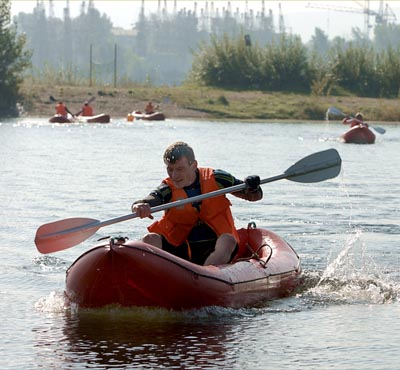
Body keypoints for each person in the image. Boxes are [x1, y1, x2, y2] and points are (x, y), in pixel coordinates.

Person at [131, 141, 263, 266]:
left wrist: (253, 187)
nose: (174, 175)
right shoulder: (167, 188)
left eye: (180, 169)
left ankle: (204, 278)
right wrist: (140, 205)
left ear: (193, 165)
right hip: (182, 248)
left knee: (227, 240)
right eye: (170, 169)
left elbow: (253, 196)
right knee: (150, 239)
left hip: (215, 246)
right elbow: (152, 198)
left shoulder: (218, 178)